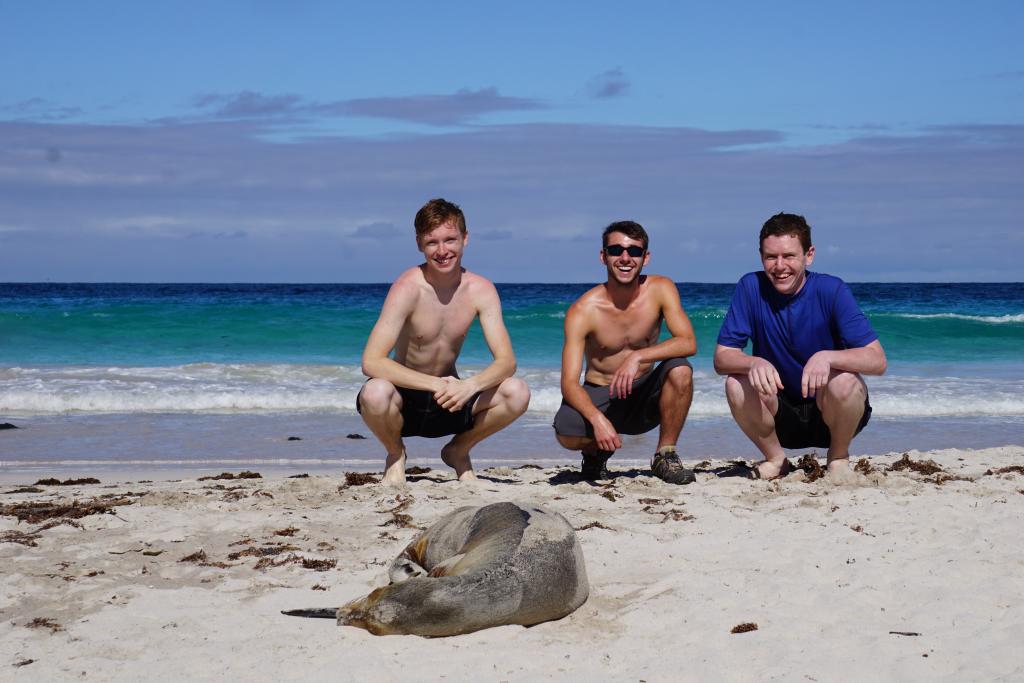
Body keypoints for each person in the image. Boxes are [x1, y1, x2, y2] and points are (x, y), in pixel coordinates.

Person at [358, 198, 530, 485]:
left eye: (450, 240)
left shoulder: (481, 290)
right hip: (406, 399)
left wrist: (469, 386)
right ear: (418, 244)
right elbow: (371, 361)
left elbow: (507, 362)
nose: (442, 251)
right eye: (432, 242)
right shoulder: (407, 287)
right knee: (374, 393)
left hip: (453, 398)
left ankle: (458, 450)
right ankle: (395, 453)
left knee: (518, 392)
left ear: (465, 238)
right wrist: (435, 383)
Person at [713, 212, 887, 481]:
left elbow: (877, 361)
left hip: (831, 416)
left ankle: (838, 458)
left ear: (809, 254)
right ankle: (775, 459)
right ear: (761, 256)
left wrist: (828, 357)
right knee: (735, 383)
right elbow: (722, 359)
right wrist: (753, 362)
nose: (780, 266)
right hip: (779, 415)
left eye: (789, 256)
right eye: (771, 257)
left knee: (845, 382)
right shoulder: (751, 287)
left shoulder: (832, 290)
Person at [553, 220, 698, 483]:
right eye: (616, 250)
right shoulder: (583, 310)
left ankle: (665, 455)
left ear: (646, 258)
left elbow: (688, 342)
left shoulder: (661, 289)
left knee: (680, 368)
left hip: (643, 393)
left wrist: (639, 356)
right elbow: (569, 383)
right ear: (603, 256)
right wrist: (597, 420)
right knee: (565, 432)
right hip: (602, 394)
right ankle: (595, 452)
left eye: (634, 251)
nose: (625, 258)